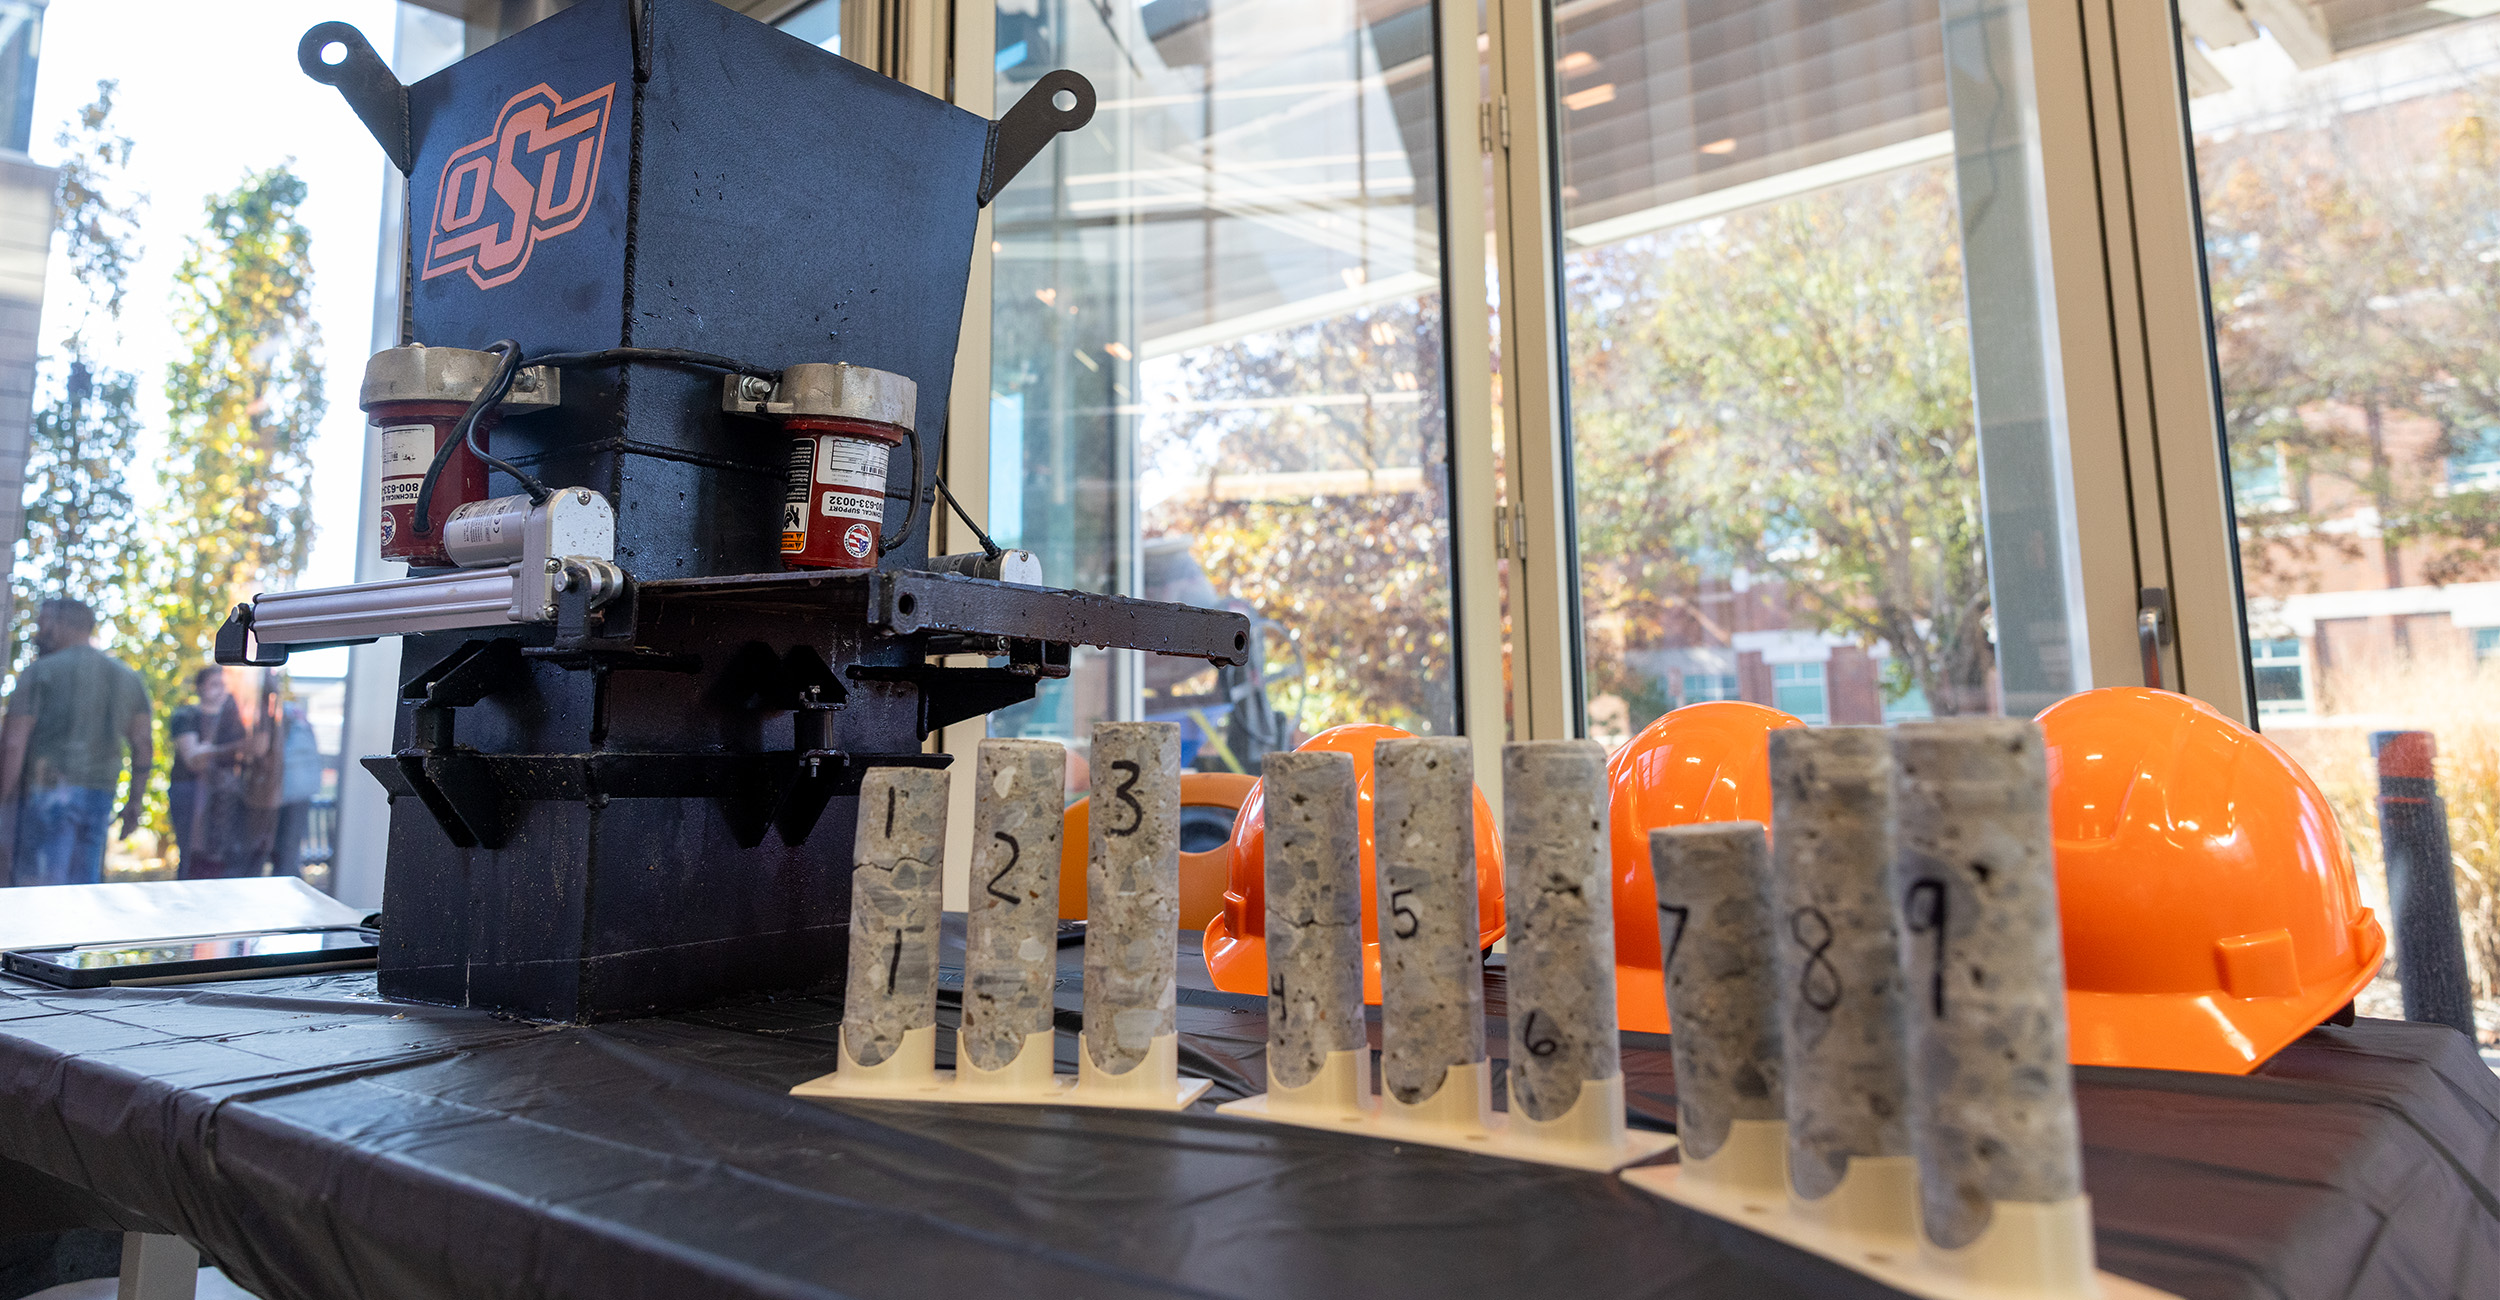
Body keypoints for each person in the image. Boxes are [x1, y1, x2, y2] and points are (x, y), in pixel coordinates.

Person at [0, 598, 152, 888]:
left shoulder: (39, 672)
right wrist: (134, 802)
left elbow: (13, 746)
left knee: (40, 887)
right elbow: (143, 743)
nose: (38, 631)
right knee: (84, 889)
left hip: (47, 794)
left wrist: (2, 799)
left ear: (60, 625)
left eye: (42, 623)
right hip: (100, 795)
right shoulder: (127, 678)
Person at [167, 667, 240, 872]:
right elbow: (193, 760)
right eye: (214, 684)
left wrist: (208, 751)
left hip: (226, 800)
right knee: (192, 859)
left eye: (224, 685)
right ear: (200, 687)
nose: (220, 691)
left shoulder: (235, 721)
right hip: (189, 794)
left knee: (220, 862)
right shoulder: (185, 715)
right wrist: (233, 749)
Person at [263, 694, 321, 878]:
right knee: (287, 849)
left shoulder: (285, 715)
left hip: (286, 792)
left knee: (285, 849)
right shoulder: (296, 716)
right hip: (296, 792)